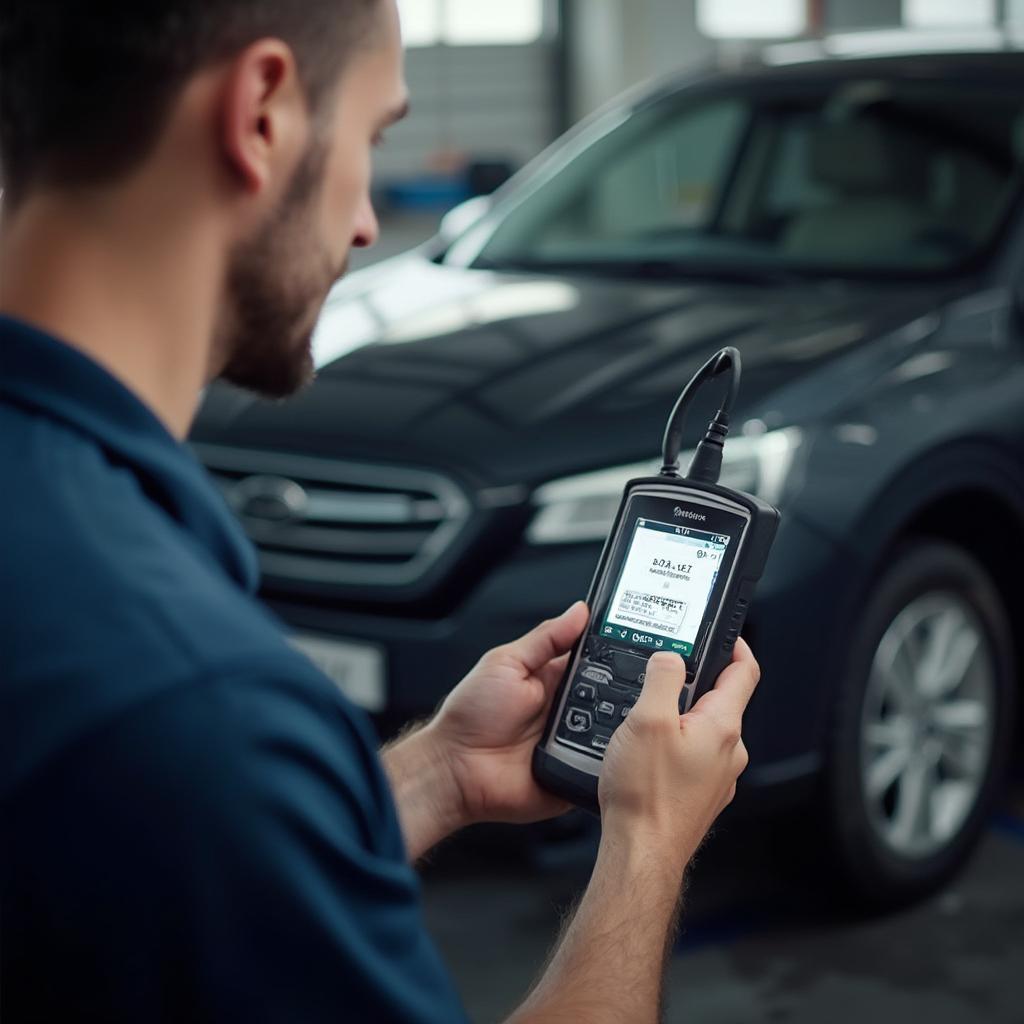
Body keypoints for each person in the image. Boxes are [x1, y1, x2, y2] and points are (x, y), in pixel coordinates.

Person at [0, 2, 760, 1020]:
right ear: (261, 113)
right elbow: (191, 770)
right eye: (372, 134)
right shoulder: (191, 694)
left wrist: (436, 775)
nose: (365, 223)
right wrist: (647, 842)